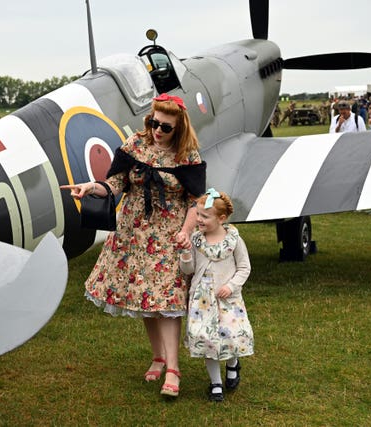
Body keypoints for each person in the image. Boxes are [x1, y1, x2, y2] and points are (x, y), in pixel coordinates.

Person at [61, 93, 206, 398]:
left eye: (165, 127)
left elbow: (196, 201)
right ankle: (158, 357)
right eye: (154, 123)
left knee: (167, 304)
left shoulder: (188, 155)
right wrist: (92, 188)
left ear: (179, 127)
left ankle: (173, 370)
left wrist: (186, 230)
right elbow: (115, 184)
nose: (157, 130)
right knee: (146, 300)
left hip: (169, 236)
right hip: (133, 233)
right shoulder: (134, 146)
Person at [179, 189, 254, 402]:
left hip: (227, 300)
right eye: (198, 215)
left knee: (230, 336)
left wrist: (231, 286)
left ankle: (232, 364)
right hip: (202, 300)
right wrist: (185, 253)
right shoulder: (196, 240)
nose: (199, 220)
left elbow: (244, 267)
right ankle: (216, 384)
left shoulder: (234, 240)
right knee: (207, 341)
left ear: (221, 218)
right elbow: (188, 269)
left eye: (204, 216)